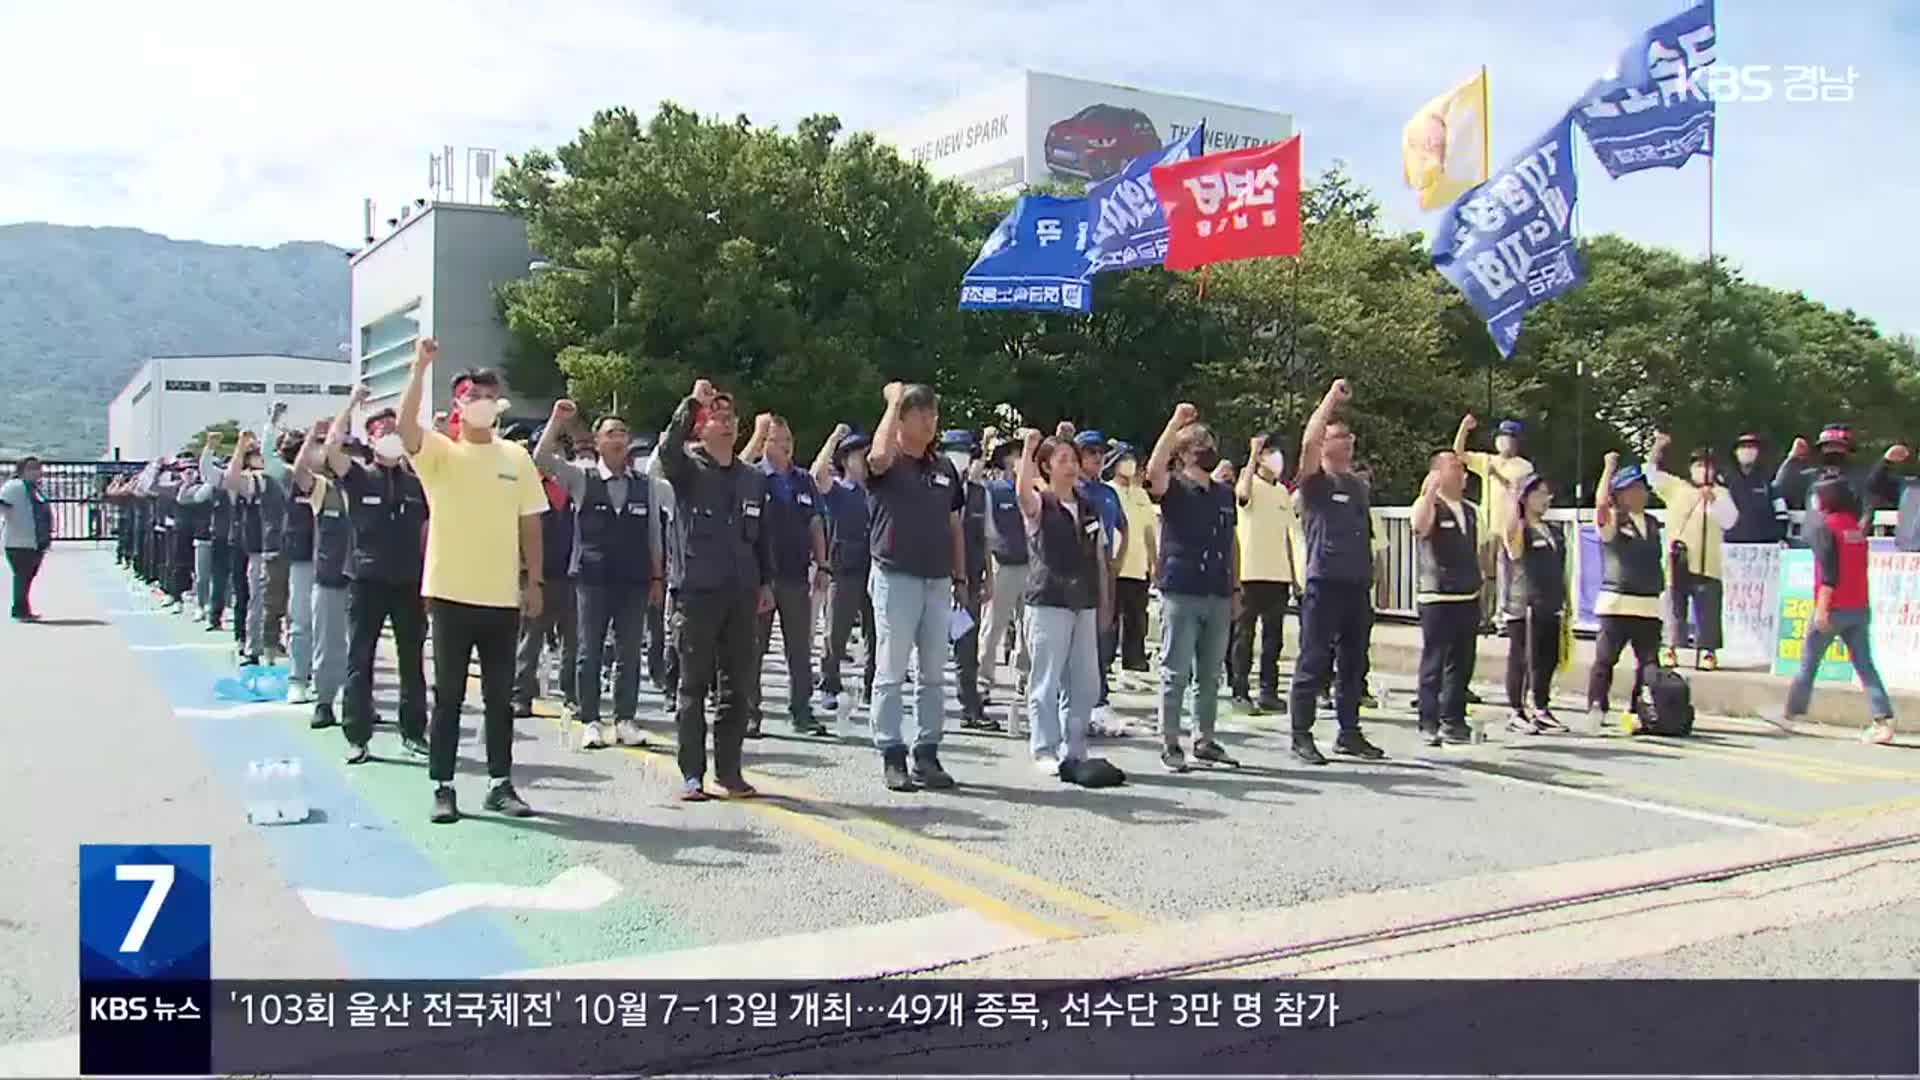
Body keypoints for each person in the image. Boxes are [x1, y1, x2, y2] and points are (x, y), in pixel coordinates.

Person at [397, 339, 545, 823]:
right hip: (449, 594)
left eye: (489, 393)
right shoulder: (440, 453)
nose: (482, 401)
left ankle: (501, 784)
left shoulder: (516, 458)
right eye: (472, 394)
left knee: (500, 698)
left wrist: (534, 580)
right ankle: (443, 786)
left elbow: (531, 521)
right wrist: (419, 370)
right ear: (459, 404)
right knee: (450, 697)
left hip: (500, 597)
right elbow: (405, 428)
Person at [658, 379, 773, 801]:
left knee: (737, 687)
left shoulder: (752, 478)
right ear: (700, 428)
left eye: (730, 418)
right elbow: (668, 449)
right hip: (697, 592)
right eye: (716, 418)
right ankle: (692, 774)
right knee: (692, 687)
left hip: (741, 593)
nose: (725, 424)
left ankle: (730, 770)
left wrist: (766, 583)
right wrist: (692, 403)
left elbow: (762, 536)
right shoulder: (688, 468)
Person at [533, 402, 663, 749]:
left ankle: (624, 718)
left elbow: (654, 533)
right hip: (592, 578)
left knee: (629, 652)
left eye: (622, 433)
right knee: (589, 651)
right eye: (611, 434)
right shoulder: (582, 477)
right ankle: (590, 718)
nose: (618, 439)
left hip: (633, 580)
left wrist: (657, 578)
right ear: (598, 441)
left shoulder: (644, 485)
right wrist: (557, 421)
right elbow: (542, 460)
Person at [865, 382, 967, 792]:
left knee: (932, 674)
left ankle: (927, 751)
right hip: (896, 575)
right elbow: (875, 456)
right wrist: (891, 401)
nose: (930, 419)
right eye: (920, 412)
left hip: (938, 579)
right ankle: (892, 751)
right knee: (891, 670)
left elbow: (954, 525)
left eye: (933, 412)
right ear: (902, 421)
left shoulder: (944, 469)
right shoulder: (889, 463)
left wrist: (961, 576)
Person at [1015, 429, 1124, 786]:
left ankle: (1074, 749)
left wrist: (1105, 603)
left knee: (1085, 682)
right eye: (1062, 460)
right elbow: (1022, 492)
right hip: (1048, 599)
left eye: (1074, 460)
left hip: (1085, 601)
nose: (1071, 466)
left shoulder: (1089, 505)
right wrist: (1030, 447)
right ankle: (1044, 748)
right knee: (1046, 681)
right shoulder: (1040, 502)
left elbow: (1099, 556)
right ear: (1045, 466)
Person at [1287, 379, 1387, 764]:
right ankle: (1301, 734)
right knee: (1313, 659)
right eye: (1338, 435)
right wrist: (1330, 400)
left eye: (1349, 435)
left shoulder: (1358, 486)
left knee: (1354, 663)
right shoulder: (1315, 481)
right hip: (1323, 580)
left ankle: (1349, 731)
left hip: (1356, 584)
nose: (1347, 441)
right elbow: (1309, 442)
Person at [1144, 401, 1241, 773]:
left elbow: (1231, 542)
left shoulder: (1222, 493)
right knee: (1175, 671)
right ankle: (1170, 741)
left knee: (1210, 673)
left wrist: (1235, 588)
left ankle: (1205, 739)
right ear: (1182, 453)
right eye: (1198, 442)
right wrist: (1174, 425)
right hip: (1181, 588)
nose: (1206, 446)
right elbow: (1154, 471)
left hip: (1216, 590)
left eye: (1209, 440)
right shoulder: (1175, 489)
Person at [1775, 477, 1896, 745]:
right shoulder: (1854, 528)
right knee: (1865, 666)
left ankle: (1790, 713)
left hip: (1834, 606)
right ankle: (1883, 720)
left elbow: (1830, 573)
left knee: (1808, 664)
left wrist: (1822, 609)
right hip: (1859, 607)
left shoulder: (1825, 528)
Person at [741, 413, 830, 737]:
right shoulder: (751, 476)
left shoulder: (803, 479)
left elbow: (816, 523)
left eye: (790, 440)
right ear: (765, 443)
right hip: (760, 576)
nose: (788, 446)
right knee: (753, 648)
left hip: (795, 575)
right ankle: (750, 713)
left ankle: (802, 711)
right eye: (780, 440)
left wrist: (823, 564)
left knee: (799, 648)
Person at [1647, 434, 1739, 671]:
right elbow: (1650, 473)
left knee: (1708, 608)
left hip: (1708, 562)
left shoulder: (1722, 493)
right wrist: (1658, 447)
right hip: (1679, 559)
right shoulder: (1677, 488)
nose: (1703, 470)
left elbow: (1730, 521)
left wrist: (1713, 502)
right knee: (1674, 606)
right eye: (1698, 465)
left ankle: (1707, 651)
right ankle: (1670, 647)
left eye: (1707, 466)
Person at [1587, 453, 1665, 730]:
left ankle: (1638, 707)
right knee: (1606, 658)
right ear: (1619, 495)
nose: (1639, 494)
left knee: (1648, 663)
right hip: (1618, 601)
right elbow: (1600, 505)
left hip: (1649, 603)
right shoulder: (1614, 522)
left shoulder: (1654, 524)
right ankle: (1597, 705)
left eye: (1642, 489)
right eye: (1631, 489)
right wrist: (1608, 469)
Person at [1411, 449, 1484, 746]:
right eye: (1454, 468)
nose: (1462, 474)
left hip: (1467, 594)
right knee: (1435, 659)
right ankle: (1428, 719)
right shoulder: (1430, 504)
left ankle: (1454, 717)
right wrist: (1428, 492)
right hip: (1437, 594)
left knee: (1462, 661)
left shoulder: (1469, 510)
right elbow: (1420, 526)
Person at [293, 405, 359, 732]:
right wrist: (312, 436)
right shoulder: (323, 489)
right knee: (327, 643)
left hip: (363, 579)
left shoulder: (367, 486)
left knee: (359, 647)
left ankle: (358, 702)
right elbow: (299, 472)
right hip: (330, 576)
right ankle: (324, 702)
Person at [515, 422, 581, 723]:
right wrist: (525, 571)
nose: (557, 450)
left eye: (561, 446)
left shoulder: (573, 487)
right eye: (551, 444)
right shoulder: (526, 486)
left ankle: (573, 695)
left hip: (571, 574)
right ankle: (521, 695)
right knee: (530, 640)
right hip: (537, 575)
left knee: (574, 641)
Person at [1230, 433, 1299, 715]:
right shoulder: (1249, 483)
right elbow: (1243, 496)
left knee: (1274, 638)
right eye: (1269, 453)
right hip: (1250, 572)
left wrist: (1294, 575)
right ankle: (1240, 691)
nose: (1275, 458)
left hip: (1278, 574)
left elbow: (1288, 536)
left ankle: (1268, 691)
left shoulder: (1283, 492)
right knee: (1245, 636)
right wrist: (1252, 454)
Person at [811, 425, 875, 718]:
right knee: (836, 632)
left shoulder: (876, 492)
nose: (865, 459)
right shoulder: (838, 490)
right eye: (860, 454)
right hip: (844, 568)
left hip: (874, 568)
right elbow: (816, 475)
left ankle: (873, 686)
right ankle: (829, 684)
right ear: (846, 459)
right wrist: (834, 438)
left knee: (876, 634)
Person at [223, 404, 293, 667]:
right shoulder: (271, 476)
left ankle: (288, 652)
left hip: (306, 550)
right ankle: (257, 648)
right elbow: (231, 478)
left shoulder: (312, 475)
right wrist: (271, 422)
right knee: (263, 602)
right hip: (270, 548)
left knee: (294, 608)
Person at [1502, 474, 1569, 734]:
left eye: (1547, 494)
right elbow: (1511, 541)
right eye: (1540, 493)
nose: (1546, 499)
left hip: (1550, 602)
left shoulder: (1553, 531)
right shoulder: (1521, 529)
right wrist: (1511, 501)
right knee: (1523, 657)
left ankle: (1541, 706)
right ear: (1526, 498)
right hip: (1524, 604)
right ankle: (1516, 710)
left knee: (1546, 659)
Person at [944, 429, 1001, 733]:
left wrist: (989, 579)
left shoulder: (981, 494)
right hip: (939, 580)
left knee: (967, 646)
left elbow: (988, 539)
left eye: (967, 452)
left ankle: (970, 706)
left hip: (971, 583)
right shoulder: (935, 487)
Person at [1071, 430, 1128, 733]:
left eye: (1100, 452)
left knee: (1103, 632)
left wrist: (1117, 561)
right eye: (1090, 452)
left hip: (1102, 565)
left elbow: (1123, 528)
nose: (1097, 458)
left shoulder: (1108, 493)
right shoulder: (1072, 489)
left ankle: (1099, 695)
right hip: (1075, 568)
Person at [1454, 415, 1534, 627]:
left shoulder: (1524, 467)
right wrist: (1465, 429)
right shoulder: (1487, 460)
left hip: (1510, 527)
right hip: (1487, 525)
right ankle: (1482, 615)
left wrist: (1497, 476)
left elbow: (1518, 491)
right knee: (1484, 572)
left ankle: (1502, 615)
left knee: (1506, 572)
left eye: (1509, 437)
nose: (1504, 441)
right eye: (1501, 437)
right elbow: (1459, 454)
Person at [1775, 425, 1910, 550]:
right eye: (1828, 446)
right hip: (1811, 545)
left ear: (1848, 449)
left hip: (1845, 545)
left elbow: (1869, 506)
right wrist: (1792, 458)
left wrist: (1886, 463)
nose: (1832, 450)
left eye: (1837, 446)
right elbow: (1781, 486)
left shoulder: (1862, 476)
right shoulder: (1811, 475)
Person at [978, 436, 1033, 732]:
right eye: (1014, 454)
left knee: (1029, 627)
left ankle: (1025, 677)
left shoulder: (1032, 489)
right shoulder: (993, 489)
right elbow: (988, 532)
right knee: (994, 625)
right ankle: (984, 680)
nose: (1019, 459)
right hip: (1003, 563)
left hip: (1031, 563)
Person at [282, 420, 331, 704]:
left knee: (334, 627)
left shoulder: (337, 480)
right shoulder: (292, 478)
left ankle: (326, 680)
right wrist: (311, 434)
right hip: (302, 555)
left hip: (334, 559)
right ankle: (298, 678)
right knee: (302, 620)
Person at [1107, 443, 1156, 687]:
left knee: (1136, 619)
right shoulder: (1107, 491)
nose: (1130, 464)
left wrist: (1155, 562)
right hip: (1115, 568)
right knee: (1111, 619)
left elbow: (1149, 531)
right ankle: (1107, 664)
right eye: (1124, 460)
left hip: (1139, 568)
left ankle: (1132, 665)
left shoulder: (1141, 495)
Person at [1, 457, 53, 620]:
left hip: (35, 541)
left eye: (38, 468)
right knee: (22, 575)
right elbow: (3, 505)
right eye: (32, 468)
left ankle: (23, 608)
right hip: (19, 541)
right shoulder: (13, 486)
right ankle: (20, 610)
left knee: (28, 576)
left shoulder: (35, 488)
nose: (37, 471)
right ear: (22, 469)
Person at [1725, 434, 1790, 545]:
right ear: (1735, 452)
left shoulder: (1768, 481)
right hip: (1732, 546)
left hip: (1764, 546)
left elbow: (1781, 512)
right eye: (1743, 446)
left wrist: (1781, 537)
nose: (1747, 450)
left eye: (1751, 447)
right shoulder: (1726, 481)